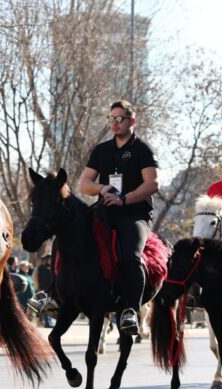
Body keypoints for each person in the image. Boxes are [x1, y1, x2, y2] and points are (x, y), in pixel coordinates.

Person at [78, 100, 159, 335]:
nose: (114, 123)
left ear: (132, 121)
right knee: (73, 237)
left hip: (135, 215)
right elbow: (85, 184)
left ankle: (131, 311)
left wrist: (125, 199)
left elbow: (153, 184)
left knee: (130, 256)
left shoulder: (142, 149)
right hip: (104, 211)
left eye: (120, 119)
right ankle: (53, 295)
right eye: (111, 119)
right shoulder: (101, 150)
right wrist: (102, 189)